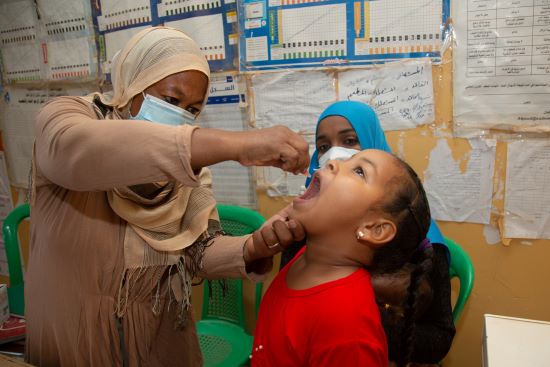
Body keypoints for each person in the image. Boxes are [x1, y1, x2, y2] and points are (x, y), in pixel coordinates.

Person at [26, 26, 309, 367]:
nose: (180, 118)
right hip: (74, 340)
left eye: (192, 110)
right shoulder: (66, 119)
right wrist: (238, 145)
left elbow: (196, 251)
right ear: (133, 82)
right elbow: (76, 152)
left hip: (158, 342)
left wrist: (254, 247)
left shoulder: (187, 172)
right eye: (170, 101)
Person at [280, 101, 455, 366]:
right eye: (324, 147)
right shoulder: (306, 221)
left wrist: (362, 318)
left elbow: (438, 338)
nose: (335, 157)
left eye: (350, 141)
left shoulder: (420, 240)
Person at [252, 149, 433, 367]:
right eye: (347, 160)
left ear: (375, 229)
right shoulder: (305, 259)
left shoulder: (347, 326)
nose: (333, 161)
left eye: (359, 171)